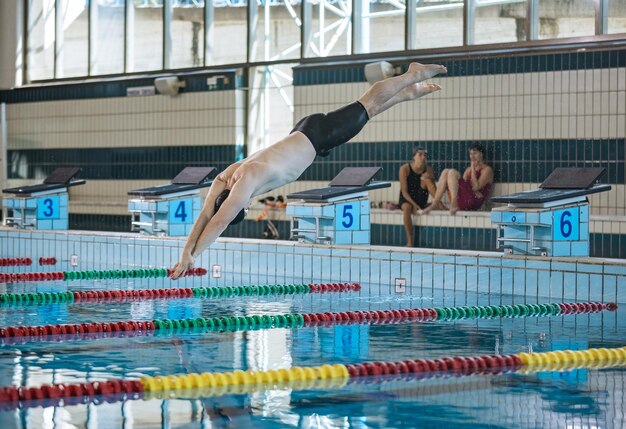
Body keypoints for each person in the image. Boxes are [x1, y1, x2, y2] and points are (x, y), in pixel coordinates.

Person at [171, 62, 448, 279]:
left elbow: (218, 221)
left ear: (238, 203)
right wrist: (187, 253)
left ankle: (410, 76)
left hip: (317, 136)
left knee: (366, 103)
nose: (248, 202)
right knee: (369, 111)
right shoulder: (227, 176)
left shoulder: (247, 180)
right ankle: (407, 93)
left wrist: (195, 255)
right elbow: (207, 214)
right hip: (304, 132)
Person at [421, 143, 494, 215]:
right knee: (446, 171)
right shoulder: (468, 170)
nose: (472, 156)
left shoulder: (487, 170)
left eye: (475, 153)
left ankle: (454, 203)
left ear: (481, 154)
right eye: (470, 154)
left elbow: (475, 187)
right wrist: (473, 189)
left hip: (474, 202)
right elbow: (463, 187)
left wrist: (472, 168)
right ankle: (435, 203)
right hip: (465, 199)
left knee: (452, 172)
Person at [398, 147, 438, 247]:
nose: (423, 157)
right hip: (407, 199)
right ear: (414, 157)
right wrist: (414, 205)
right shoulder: (404, 169)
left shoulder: (428, 169)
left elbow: (434, 189)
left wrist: (429, 177)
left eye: (425, 155)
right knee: (407, 208)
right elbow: (404, 192)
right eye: (420, 154)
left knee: (427, 180)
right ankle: (410, 241)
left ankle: (439, 204)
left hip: (420, 198)